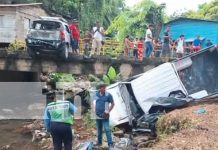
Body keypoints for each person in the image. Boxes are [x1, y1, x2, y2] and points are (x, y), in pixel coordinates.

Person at [94, 83, 115, 149]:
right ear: (100, 89)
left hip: (105, 115)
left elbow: (113, 104)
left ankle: (110, 144)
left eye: (105, 87)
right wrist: (95, 109)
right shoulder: (96, 94)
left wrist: (108, 111)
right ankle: (99, 142)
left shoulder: (108, 95)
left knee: (107, 129)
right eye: (103, 88)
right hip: (97, 115)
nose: (104, 89)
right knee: (99, 129)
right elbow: (94, 102)